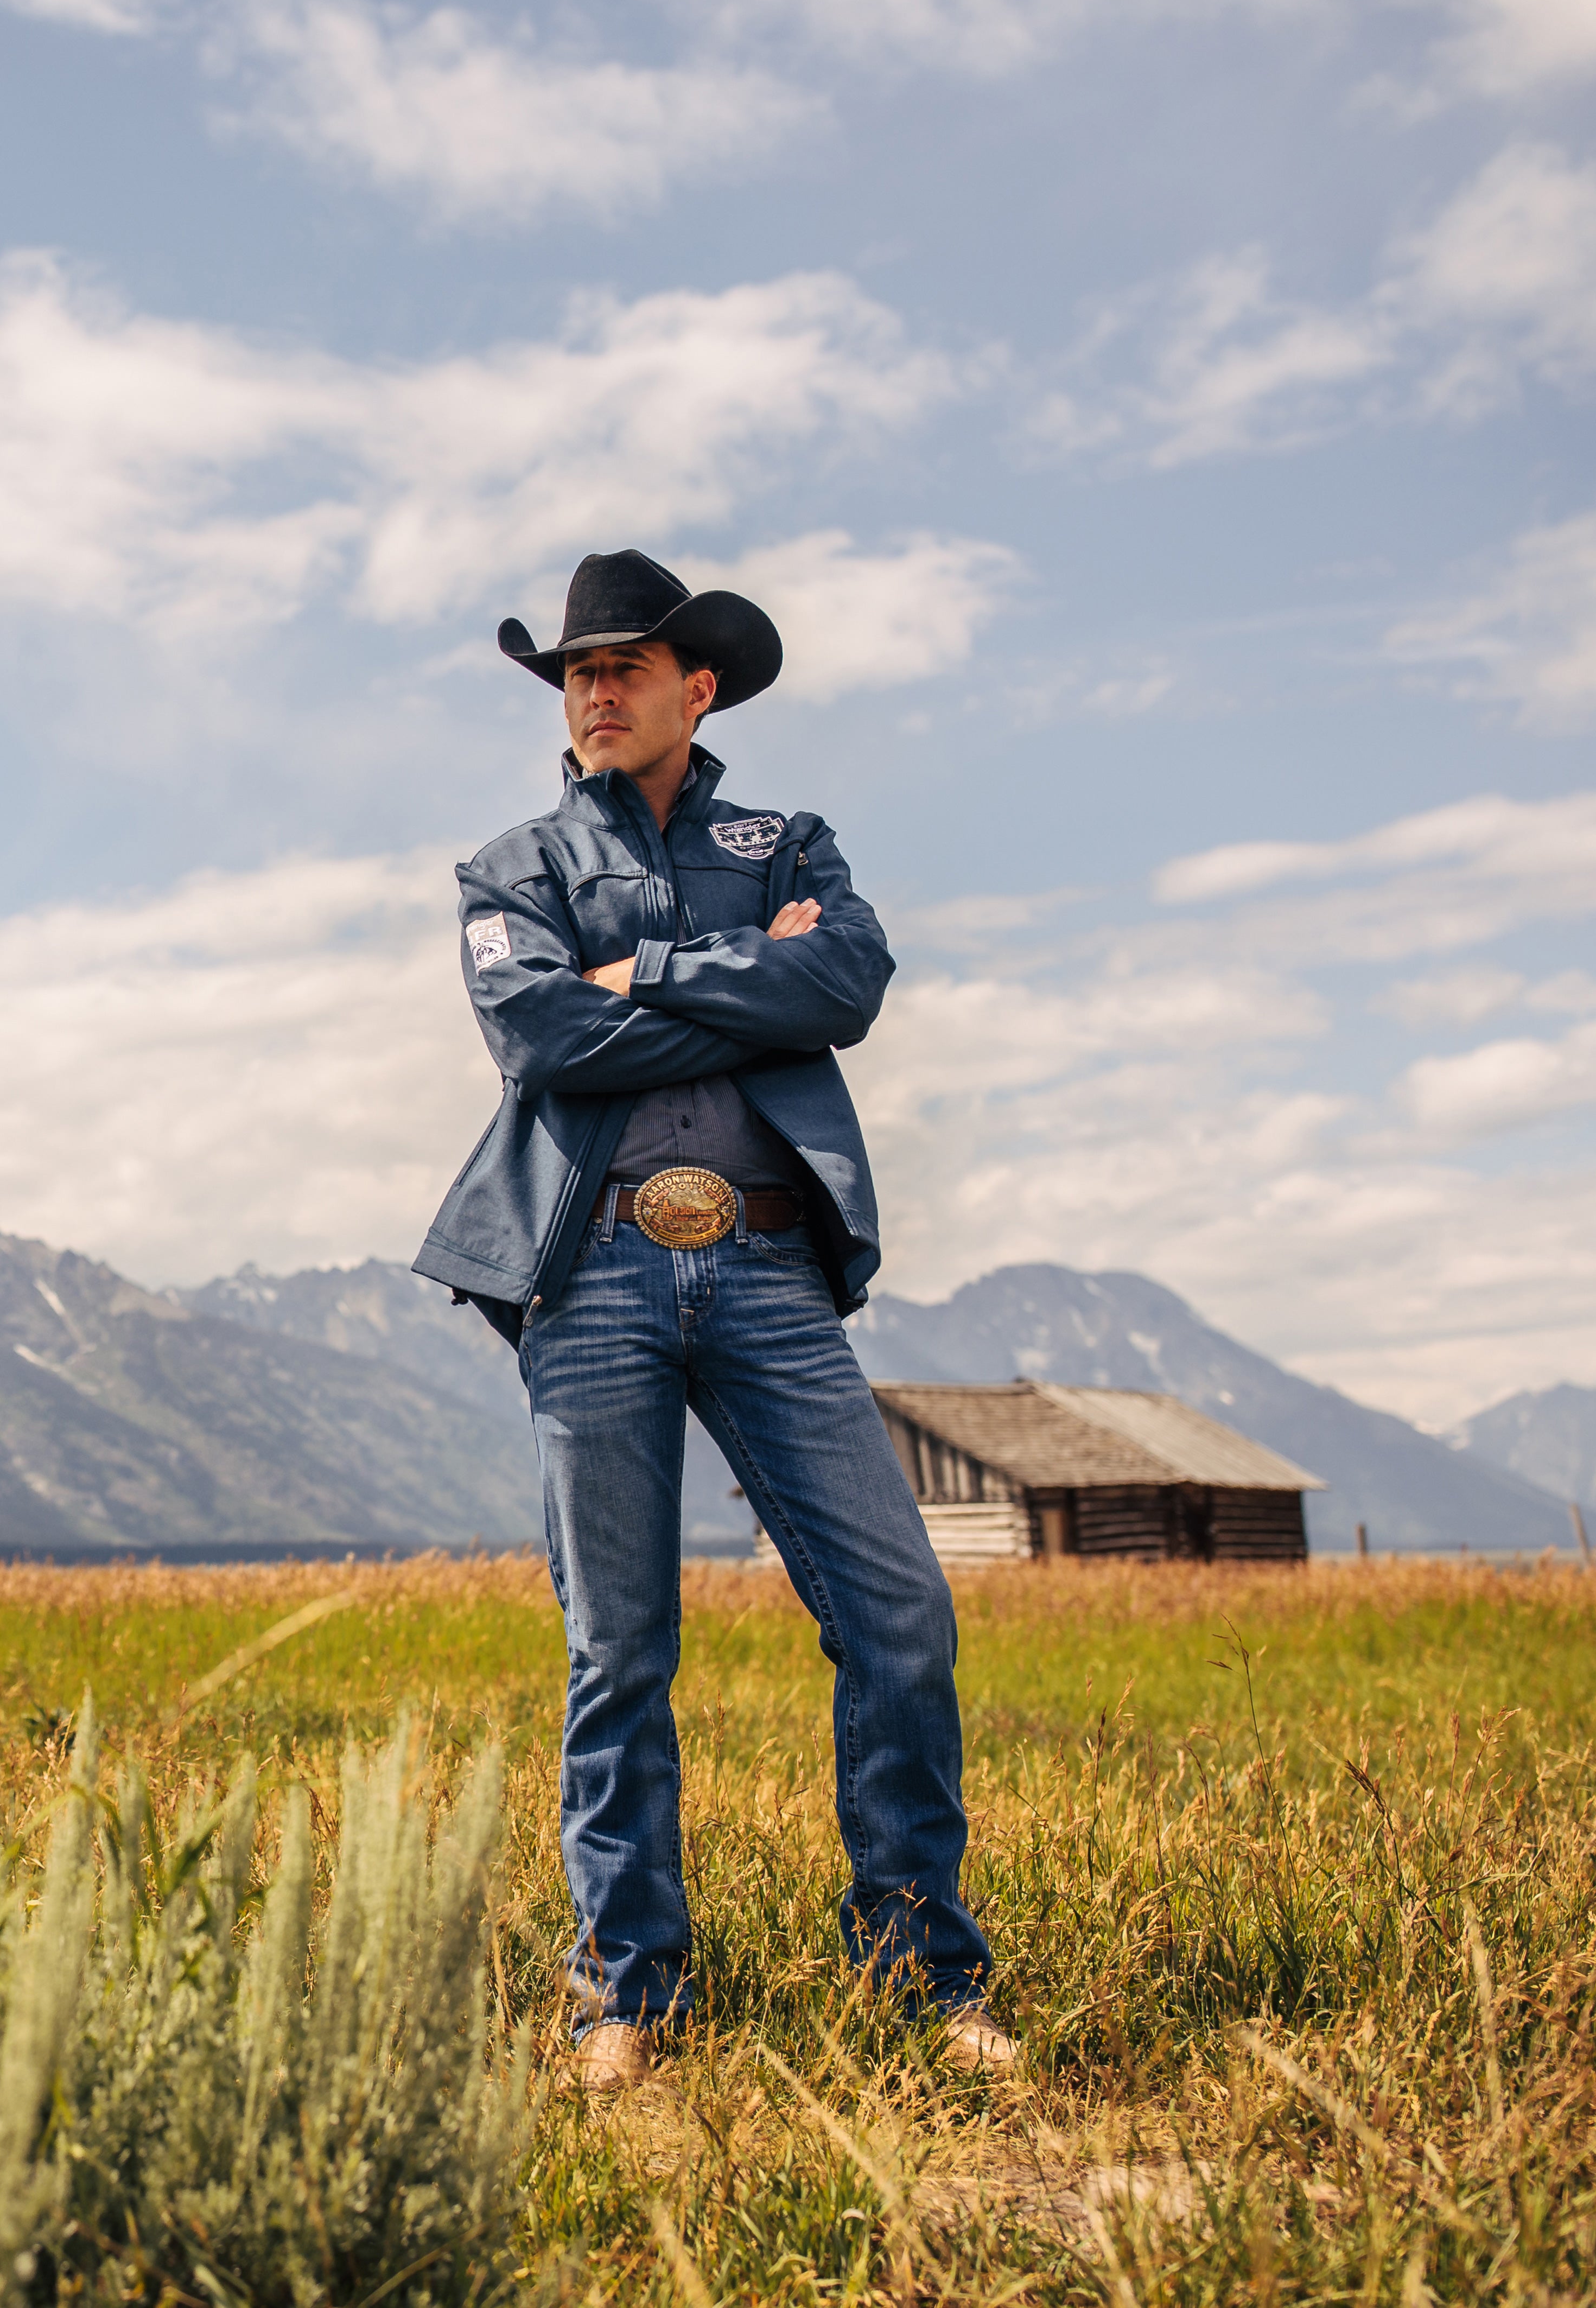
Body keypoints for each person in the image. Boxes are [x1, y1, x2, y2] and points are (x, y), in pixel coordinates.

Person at [414, 549, 1014, 2092]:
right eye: (574, 670)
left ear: (700, 686)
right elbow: (538, 1027)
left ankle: (927, 1975)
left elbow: (853, 978)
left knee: (899, 1618)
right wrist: (754, 976)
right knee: (619, 1651)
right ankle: (627, 1995)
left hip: (766, 1269)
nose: (594, 690)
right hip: (593, 1275)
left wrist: (656, 965)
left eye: (624, 665)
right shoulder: (513, 869)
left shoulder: (785, 836)